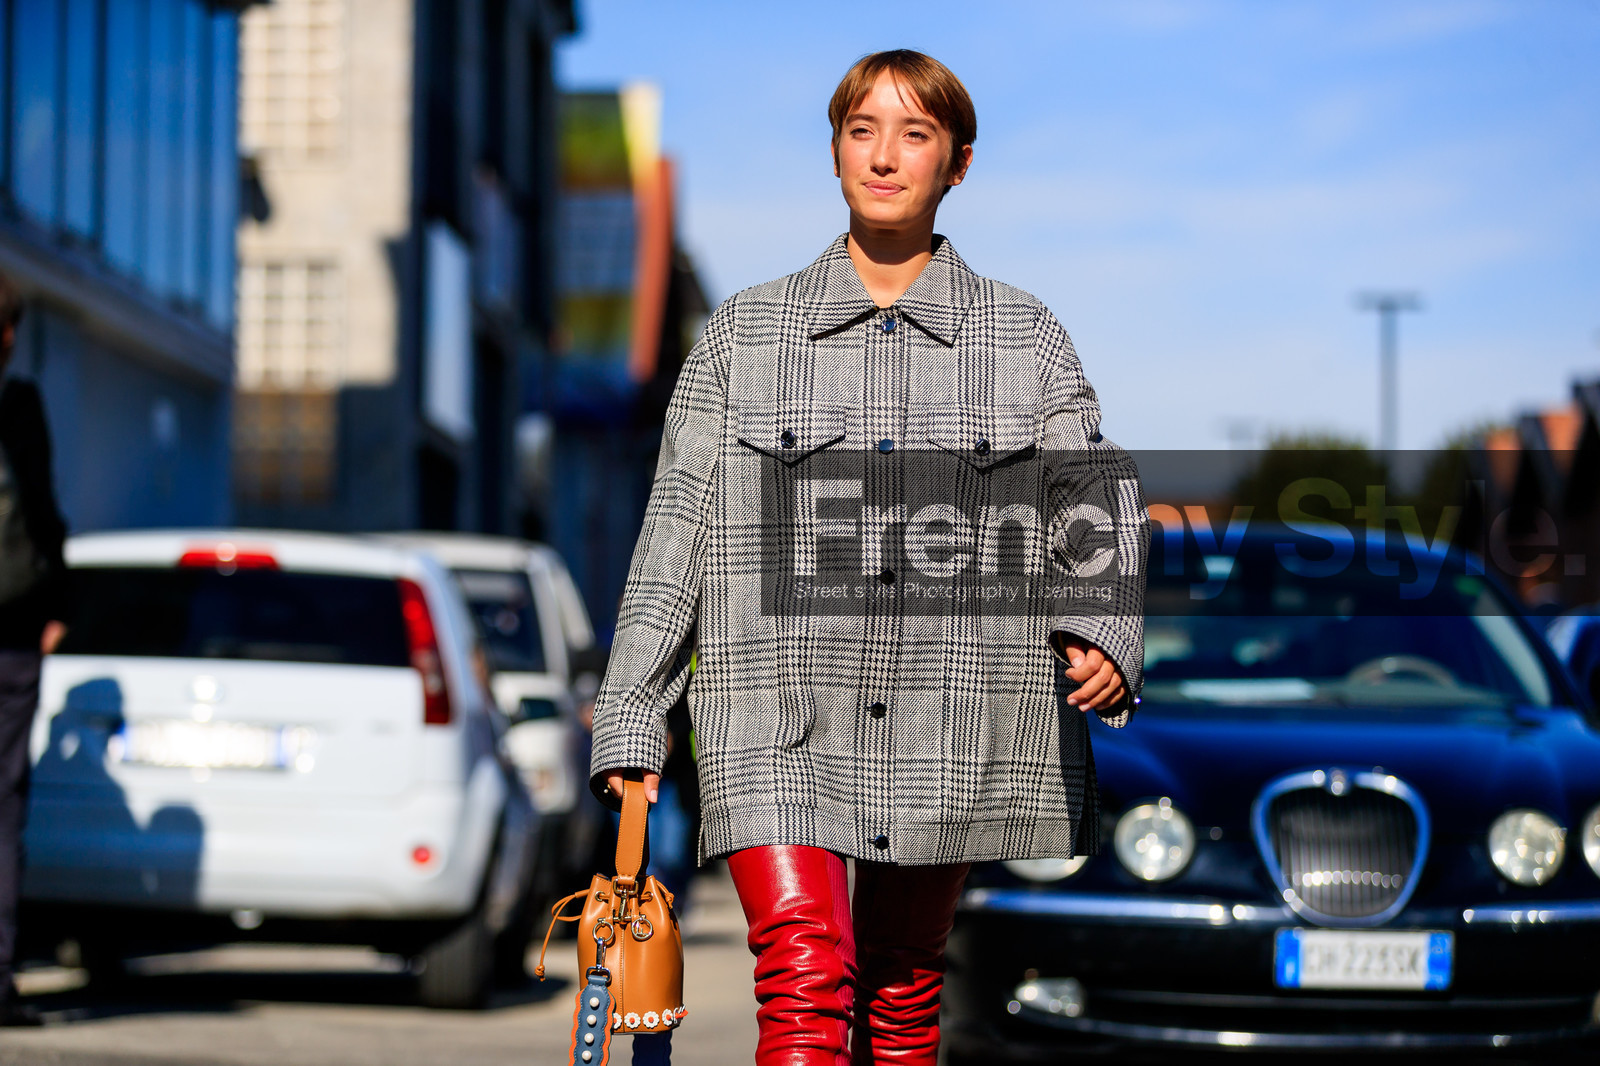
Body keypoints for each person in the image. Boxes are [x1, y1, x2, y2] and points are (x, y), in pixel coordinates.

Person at [590, 51, 1148, 1065]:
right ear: (836, 151)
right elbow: (675, 532)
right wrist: (636, 712)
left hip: (952, 713)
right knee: (803, 972)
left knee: (900, 986)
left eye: (914, 134)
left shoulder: (1025, 337)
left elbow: (1090, 492)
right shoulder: (742, 336)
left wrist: (1101, 625)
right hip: (774, 714)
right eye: (862, 131)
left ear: (957, 164)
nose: (884, 156)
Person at [0, 274, 67, 1028]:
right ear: (9, 334)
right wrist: (55, 607)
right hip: (10, 633)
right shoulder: (18, 405)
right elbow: (43, 512)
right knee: (2, 803)